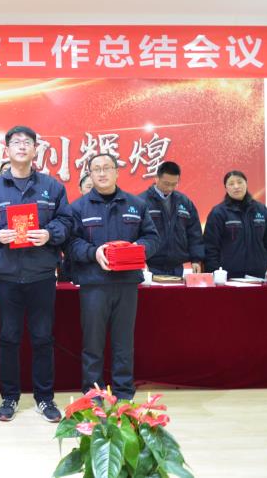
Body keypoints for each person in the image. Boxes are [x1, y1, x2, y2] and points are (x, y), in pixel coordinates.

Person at [0, 125, 71, 423]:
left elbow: (66, 221)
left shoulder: (52, 187)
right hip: (6, 277)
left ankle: (44, 398)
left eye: (27, 142)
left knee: (43, 338)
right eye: (16, 142)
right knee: (8, 338)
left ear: (35, 149)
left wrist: (49, 234)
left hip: (41, 275)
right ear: (6, 149)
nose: (21, 146)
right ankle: (9, 397)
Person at [67, 153, 159, 401]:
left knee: (123, 343)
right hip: (94, 284)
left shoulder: (136, 205)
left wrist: (137, 249)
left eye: (107, 168)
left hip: (127, 284)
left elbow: (152, 237)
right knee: (93, 344)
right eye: (96, 169)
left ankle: (124, 394)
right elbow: (71, 244)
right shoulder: (78, 208)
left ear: (117, 172)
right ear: (89, 174)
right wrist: (93, 253)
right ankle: (93, 395)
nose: (102, 173)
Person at [203, 170, 267, 279]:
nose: (236, 186)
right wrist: (214, 271)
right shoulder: (218, 213)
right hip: (228, 275)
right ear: (226, 188)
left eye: (239, 182)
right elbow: (210, 245)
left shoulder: (262, 211)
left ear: (246, 184)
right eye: (231, 184)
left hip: (258, 273)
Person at [139, 161, 204, 276]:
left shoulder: (184, 202)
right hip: (149, 266)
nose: (170, 188)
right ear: (156, 178)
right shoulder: (141, 201)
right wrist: (140, 261)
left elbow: (194, 233)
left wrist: (196, 259)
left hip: (177, 268)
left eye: (174, 184)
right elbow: (135, 234)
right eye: (166, 183)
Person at [59, 172, 94, 283]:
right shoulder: (72, 209)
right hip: (77, 265)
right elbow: (68, 241)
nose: (93, 190)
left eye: (95, 186)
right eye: (89, 186)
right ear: (80, 189)